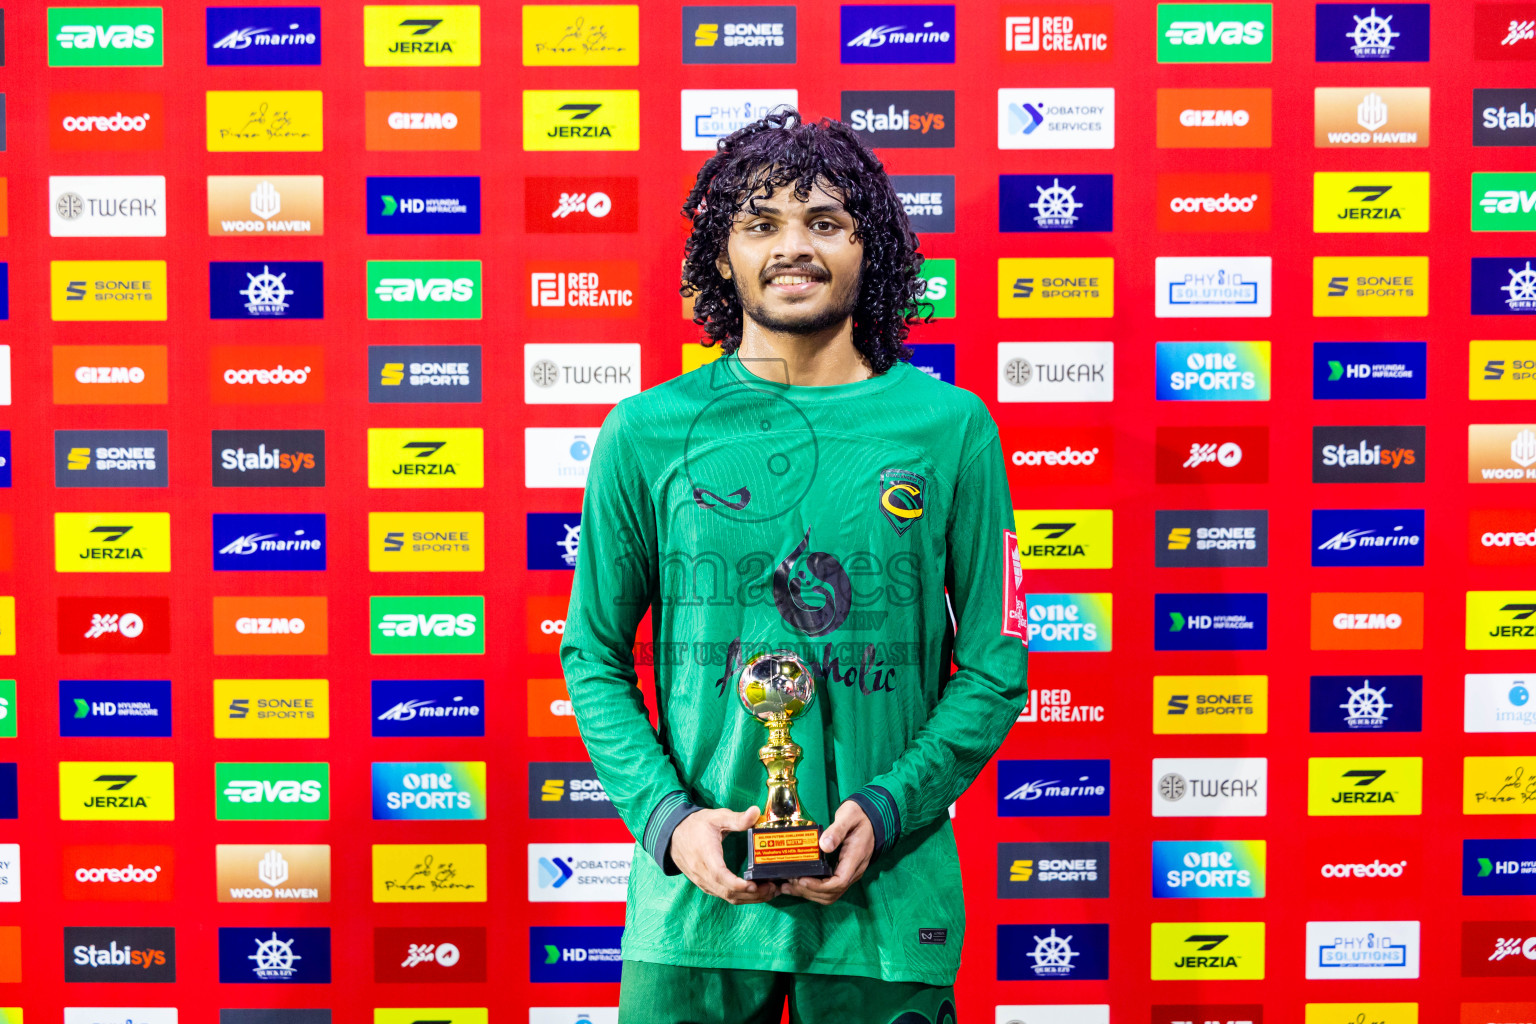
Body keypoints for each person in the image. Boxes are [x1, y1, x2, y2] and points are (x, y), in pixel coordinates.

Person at [560, 108, 1029, 1024]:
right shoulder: (646, 432)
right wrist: (669, 823)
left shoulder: (953, 430)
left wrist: (892, 806)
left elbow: (994, 664)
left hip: (888, 908)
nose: (793, 247)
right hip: (696, 909)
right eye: (761, 222)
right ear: (721, 255)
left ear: (873, 248)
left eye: (826, 222)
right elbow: (593, 655)